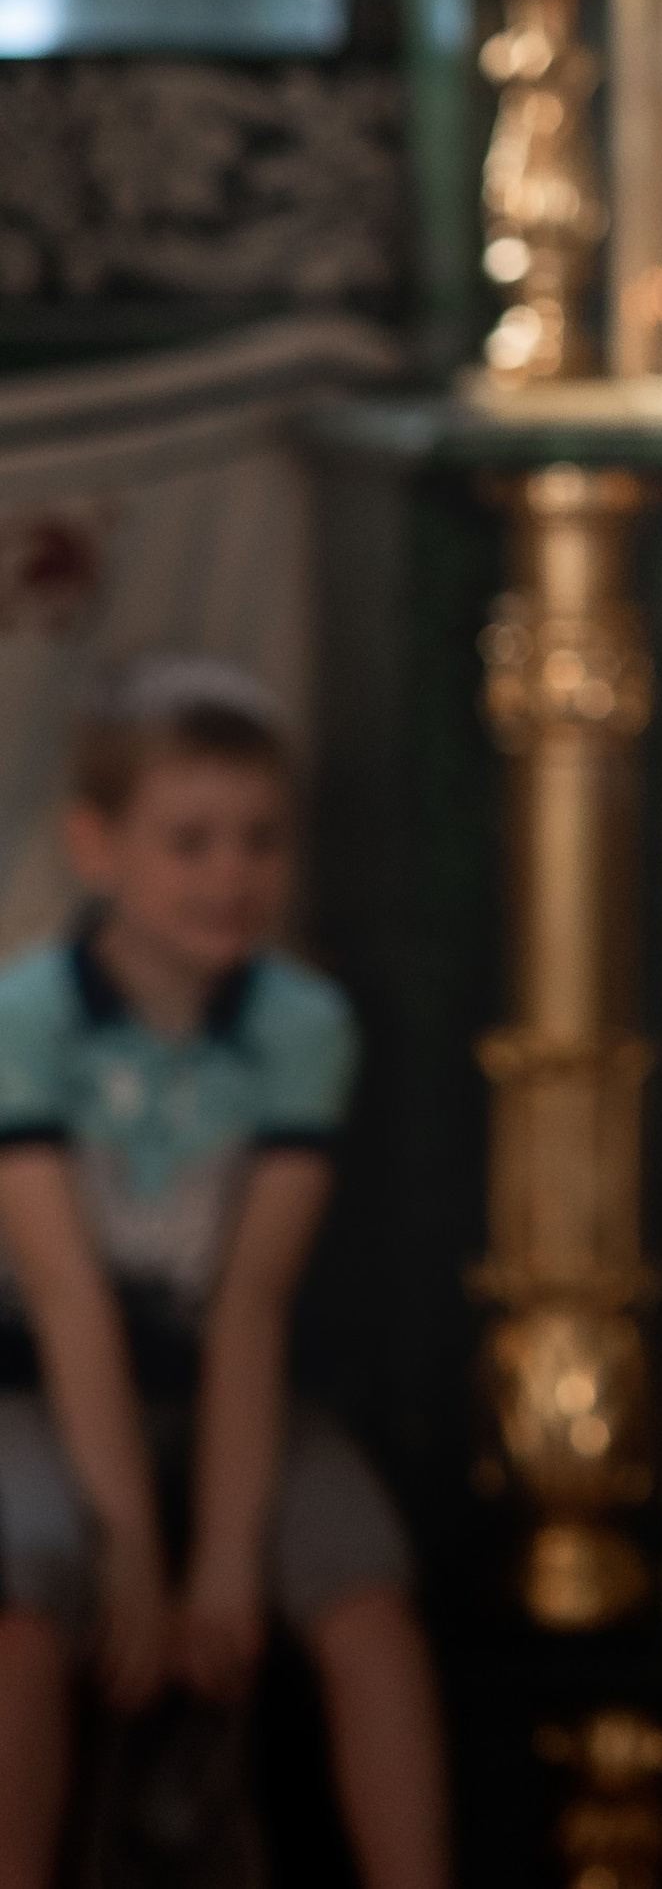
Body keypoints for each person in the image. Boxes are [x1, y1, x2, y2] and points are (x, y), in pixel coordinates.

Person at [0, 657, 451, 1889]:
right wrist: (133, 1549)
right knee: (22, 1619)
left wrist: (225, 1550)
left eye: (260, 838)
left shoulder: (302, 1026)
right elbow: (65, 1296)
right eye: (188, 840)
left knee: (369, 1607)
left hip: (231, 1385)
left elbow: (250, 1304)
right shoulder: (24, 1019)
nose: (230, 873)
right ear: (96, 844)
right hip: (45, 1380)